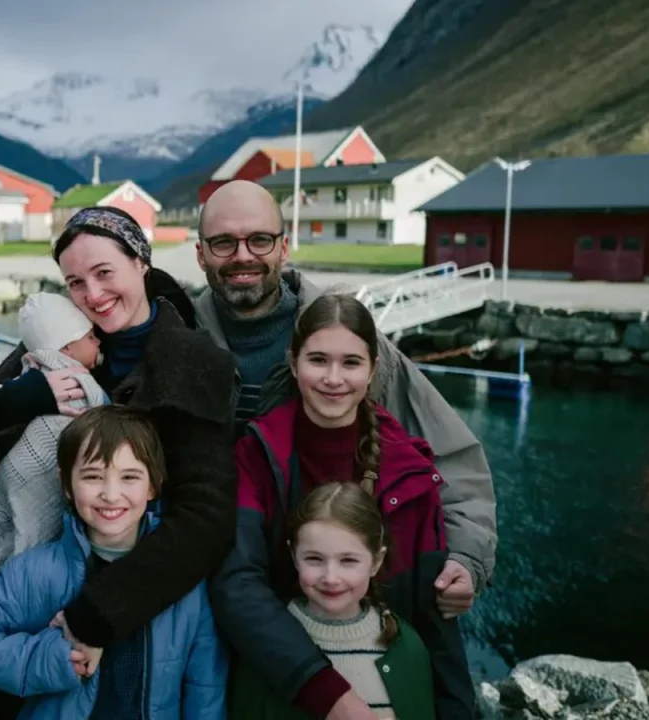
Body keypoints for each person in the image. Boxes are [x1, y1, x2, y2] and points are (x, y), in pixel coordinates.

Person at [0, 206, 238, 715]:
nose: (92, 294)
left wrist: (99, 612)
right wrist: (13, 403)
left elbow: (207, 516)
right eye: (75, 282)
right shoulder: (52, 349)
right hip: (31, 587)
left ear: (141, 262)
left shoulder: (193, 365)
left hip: (140, 602)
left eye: (104, 272)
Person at [192, 180, 496, 618]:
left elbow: (455, 462)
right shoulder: (180, 346)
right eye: (223, 242)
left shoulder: (351, 347)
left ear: (283, 247)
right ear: (201, 253)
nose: (243, 255)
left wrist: (466, 559)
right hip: (219, 597)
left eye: (259, 239)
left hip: (341, 599)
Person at [211, 293, 474, 720]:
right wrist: (324, 689)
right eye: (318, 360)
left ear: (372, 369)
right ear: (293, 364)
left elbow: (434, 618)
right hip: (282, 680)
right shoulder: (256, 455)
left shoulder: (408, 471)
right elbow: (236, 582)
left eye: (350, 363)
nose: (333, 378)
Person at [0, 406, 228, 719]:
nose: (111, 495)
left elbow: (204, 684)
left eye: (129, 477)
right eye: (93, 476)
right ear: (66, 485)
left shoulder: (181, 577)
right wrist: (48, 657)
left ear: (154, 484)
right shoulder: (39, 572)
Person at [233, 482, 436, 720]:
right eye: (314, 559)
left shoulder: (406, 646)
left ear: (377, 561)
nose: (331, 578)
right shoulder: (264, 645)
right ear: (294, 556)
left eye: (348, 561)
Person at [0, 291, 109, 590]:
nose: (98, 341)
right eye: (90, 336)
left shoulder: (22, 379)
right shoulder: (76, 382)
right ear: (67, 348)